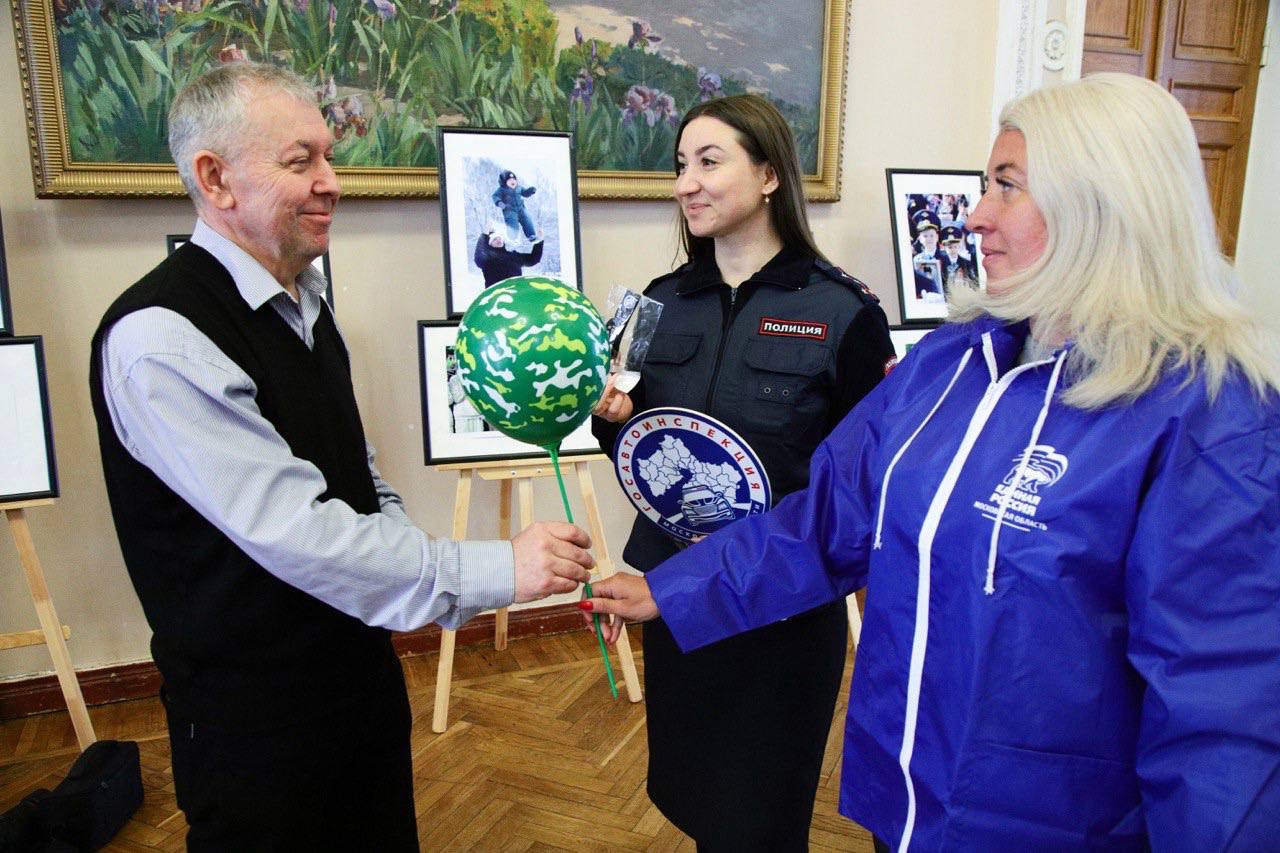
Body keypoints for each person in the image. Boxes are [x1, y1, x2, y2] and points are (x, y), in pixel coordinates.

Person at [583, 73, 1280, 850]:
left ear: (1102, 200)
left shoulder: (1211, 414)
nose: (975, 215)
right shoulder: (949, 364)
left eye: (1006, 185)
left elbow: (1224, 720)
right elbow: (829, 518)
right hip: (908, 805)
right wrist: (672, 587)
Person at [88, 62, 595, 851]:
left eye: (328, 156)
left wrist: (409, 558)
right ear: (215, 179)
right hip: (256, 726)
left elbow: (355, 473)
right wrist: (496, 568)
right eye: (301, 161)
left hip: (356, 683)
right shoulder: (161, 338)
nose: (331, 181)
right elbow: (297, 530)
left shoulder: (306, 299)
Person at [590, 93, 894, 850]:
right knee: (697, 799)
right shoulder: (655, 305)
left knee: (761, 819)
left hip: (779, 611)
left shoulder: (844, 311)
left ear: (768, 175)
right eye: (680, 165)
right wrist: (608, 417)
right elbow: (628, 443)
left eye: (709, 161)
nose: (685, 183)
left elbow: (867, 481)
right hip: (675, 599)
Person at [474, 222, 544, 286]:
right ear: (489, 244)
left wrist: (539, 242)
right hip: (497, 293)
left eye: (500, 238)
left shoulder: (514, 256)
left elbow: (533, 259)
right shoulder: (487, 258)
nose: (498, 240)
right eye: (494, 239)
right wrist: (484, 235)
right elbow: (479, 256)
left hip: (515, 292)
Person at [492, 169, 537, 241]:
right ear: (504, 182)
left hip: (521, 209)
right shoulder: (501, 190)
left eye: (514, 179)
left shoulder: (519, 187)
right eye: (510, 180)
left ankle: (531, 235)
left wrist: (530, 191)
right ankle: (512, 237)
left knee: (527, 219)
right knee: (512, 223)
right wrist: (499, 202)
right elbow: (495, 196)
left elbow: (525, 193)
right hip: (509, 210)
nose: (512, 181)